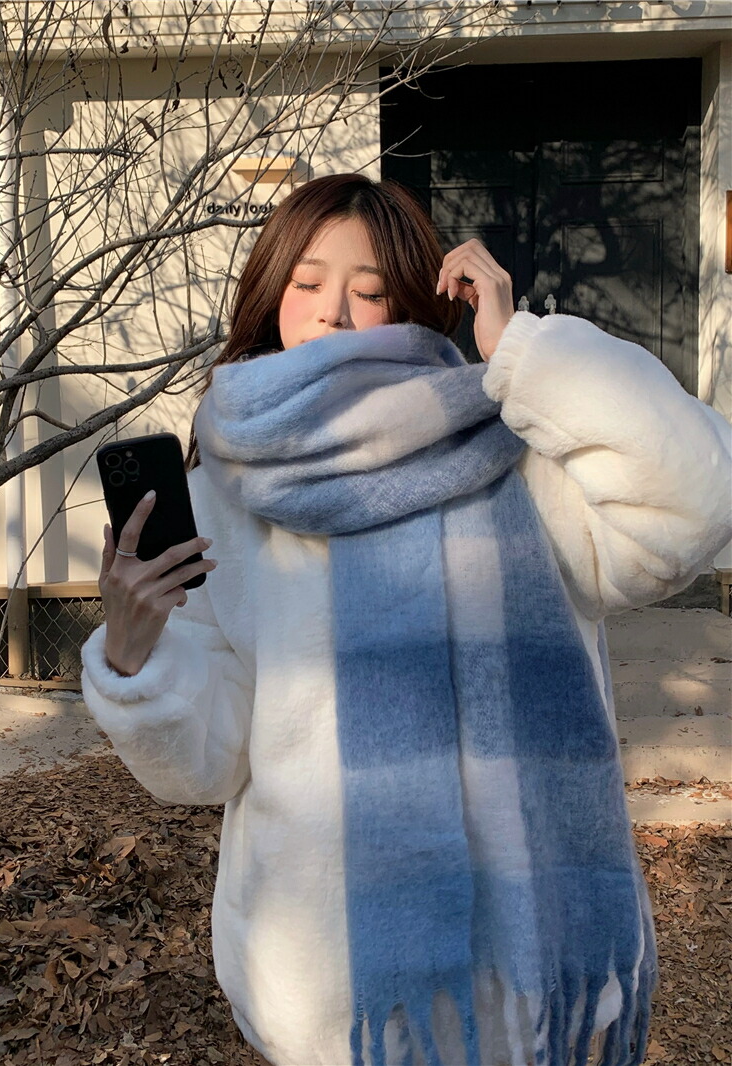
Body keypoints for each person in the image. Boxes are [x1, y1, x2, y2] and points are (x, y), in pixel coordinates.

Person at [80, 175, 732, 1066]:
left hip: (523, 975)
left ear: (418, 303)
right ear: (272, 295)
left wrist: (524, 352)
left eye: (372, 288)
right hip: (334, 984)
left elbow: (694, 501)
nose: (335, 311)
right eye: (308, 282)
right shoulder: (221, 496)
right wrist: (134, 655)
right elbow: (209, 760)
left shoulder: (518, 446)